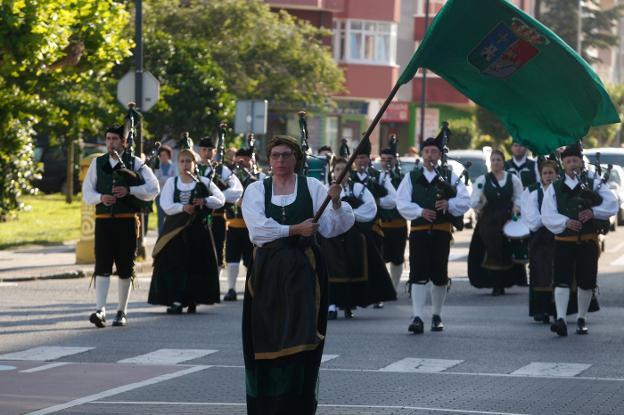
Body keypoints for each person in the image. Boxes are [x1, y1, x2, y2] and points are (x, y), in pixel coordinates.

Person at [241, 135, 354, 414]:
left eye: (286, 155)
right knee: (265, 339)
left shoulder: (313, 187)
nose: (280, 160)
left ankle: (297, 406)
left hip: (305, 273)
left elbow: (335, 227)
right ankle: (267, 406)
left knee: (302, 341)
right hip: (266, 274)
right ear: (269, 160)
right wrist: (293, 229)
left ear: (296, 159)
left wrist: (337, 203)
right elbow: (258, 230)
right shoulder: (256, 190)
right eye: (276, 155)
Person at [82, 124, 159, 328]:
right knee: (102, 265)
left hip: (126, 221)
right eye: (108, 139)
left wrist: (130, 190)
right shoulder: (97, 163)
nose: (110, 143)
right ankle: (100, 310)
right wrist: (101, 197)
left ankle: (121, 311)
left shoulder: (136, 163)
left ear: (124, 142)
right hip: (104, 222)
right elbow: (87, 193)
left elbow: (153, 189)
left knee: (125, 267)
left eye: (115, 139)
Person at [396, 135, 471, 334]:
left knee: (439, 275)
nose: (430, 155)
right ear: (422, 154)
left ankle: (437, 316)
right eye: (427, 151)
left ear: (439, 155)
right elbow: (401, 203)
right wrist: (420, 211)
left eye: (434, 151)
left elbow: (465, 200)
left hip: (441, 233)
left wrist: (449, 204)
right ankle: (418, 316)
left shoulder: (449, 175)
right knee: (418, 274)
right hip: (419, 232)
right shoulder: (411, 177)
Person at [542, 141, 617, 336]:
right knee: (561, 280)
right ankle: (560, 319)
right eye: (569, 161)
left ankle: (582, 319)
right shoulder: (555, 187)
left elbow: (612, 205)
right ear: (563, 164)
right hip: (564, 242)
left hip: (588, 240)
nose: (573, 164)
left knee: (587, 281)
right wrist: (565, 222)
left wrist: (593, 212)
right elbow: (547, 214)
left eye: (576, 160)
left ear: (582, 162)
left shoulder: (594, 181)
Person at [148, 148, 225, 313]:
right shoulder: (172, 182)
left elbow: (220, 199)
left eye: (188, 161)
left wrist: (204, 200)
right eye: (182, 161)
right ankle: (176, 299)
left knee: (195, 265)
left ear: (194, 164)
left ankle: (192, 299)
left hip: (198, 231)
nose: (185, 165)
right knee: (175, 265)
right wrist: (183, 207)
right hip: (176, 231)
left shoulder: (203, 181)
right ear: (178, 164)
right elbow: (166, 205)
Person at [321, 156, 397, 319]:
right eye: (338, 169)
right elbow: (321, 211)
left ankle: (349, 304)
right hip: (331, 237)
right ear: (333, 173)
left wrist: (348, 214)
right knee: (331, 269)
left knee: (352, 268)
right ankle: (332, 304)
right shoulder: (325, 189)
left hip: (354, 236)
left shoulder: (358, 188)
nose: (341, 172)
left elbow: (370, 208)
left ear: (350, 173)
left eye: (344, 170)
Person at [468, 149, 526, 295]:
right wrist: (481, 202)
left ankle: (505, 281)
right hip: (488, 221)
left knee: (506, 250)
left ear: (503, 162)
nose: (496, 163)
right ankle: (494, 283)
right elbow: (474, 201)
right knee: (491, 250)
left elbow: (519, 196)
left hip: (507, 219)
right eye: (493, 160)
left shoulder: (512, 179)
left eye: (498, 160)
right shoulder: (482, 180)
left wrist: (516, 207)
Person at [351, 141, 397, 308]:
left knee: (375, 263)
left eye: (364, 157)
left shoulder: (379, 177)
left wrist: (374, 201)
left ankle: (377, 296)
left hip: (373, 228)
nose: (360, 161)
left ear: (369, 159)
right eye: (358, 157)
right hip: (352, 229)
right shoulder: (348, 178)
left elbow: (393, 200)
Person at [223, 148, 266, 301]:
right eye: (238, 159)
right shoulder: (230, 176)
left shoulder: (261, 177)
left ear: (252, 160)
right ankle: (231, 289)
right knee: (232, 258)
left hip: (252, 226)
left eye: (245, 160)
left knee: (251, 260)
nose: (241, 163)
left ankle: (252, 288)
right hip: (233, 224)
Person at [197, 137, 243, 280]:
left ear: (215, 151)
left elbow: (237, 189)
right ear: (199, 151)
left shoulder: (221, 169)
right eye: (204, 150)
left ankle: (214, 283)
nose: (207, 153)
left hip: (217, 217)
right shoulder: (194, 167)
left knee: (217, 250)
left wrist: (217, 197)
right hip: (196, 217)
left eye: (210, 150)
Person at [521, 160, 558, 324]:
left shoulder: (561, 191)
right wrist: (551, 218)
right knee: (541, 273)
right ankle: (541, 310)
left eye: (551, 173)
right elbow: (533, 220)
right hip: (541, 240)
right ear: (541, 176)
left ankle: (558, 309)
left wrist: (553, 219)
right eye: (545, 173)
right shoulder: (535, 193)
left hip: (557, 238)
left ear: (557, 174)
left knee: (558, 273)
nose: (548, 176)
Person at [379, 148, 407, 290]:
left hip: (398, 224)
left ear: (395, 160)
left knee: (397, 259)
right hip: (380, 225)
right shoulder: (376, 177)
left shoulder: (402, 179)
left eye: (389, 159)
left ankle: (394, 288)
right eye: (383, 159)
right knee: (380, 258)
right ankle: (383, 288)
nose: (385, 163)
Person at [153, 144, 177, 234]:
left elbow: (174, 179)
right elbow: (156, 179)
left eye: (164, 155)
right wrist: (167, 179)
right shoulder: (158, 167)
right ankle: (161, 236)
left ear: (169, 155)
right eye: (161, 155)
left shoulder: (174, 166)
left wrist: (162, 179)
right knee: (160, 217)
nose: (163, 157)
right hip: (160, 195)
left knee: (170, 217)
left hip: (171, 195)